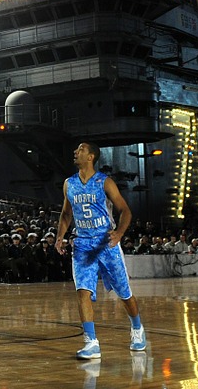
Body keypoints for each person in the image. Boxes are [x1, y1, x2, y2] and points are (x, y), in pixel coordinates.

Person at [54, 142, 147, 360]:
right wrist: (60, 236)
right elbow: (66, 214)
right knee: (82, 291)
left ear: (91, 156)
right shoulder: (69, 183)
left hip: (106, 243)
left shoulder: (104, 182)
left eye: (81, 149)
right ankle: (91, 342)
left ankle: (137, 327)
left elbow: (125, 211)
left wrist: (120, 233)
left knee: (124, 291)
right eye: (76, 149)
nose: (75, 152)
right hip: (83, 244)